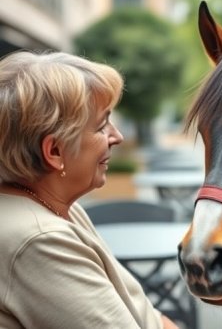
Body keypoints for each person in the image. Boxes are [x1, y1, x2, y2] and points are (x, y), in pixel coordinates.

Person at [0, 51, 178, 328]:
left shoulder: (57, 209)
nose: (116, 136)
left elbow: (144, 313)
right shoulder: (39, 240)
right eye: (102, 124)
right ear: (55, 151)